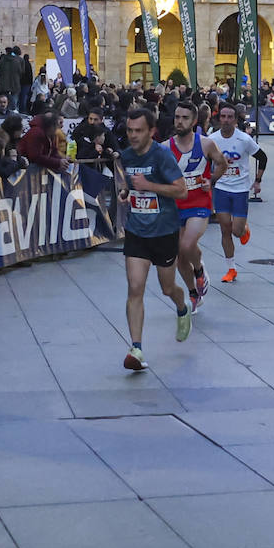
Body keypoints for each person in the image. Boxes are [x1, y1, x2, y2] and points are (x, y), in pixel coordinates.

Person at [117, 108, 193, 371]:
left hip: (164, 232)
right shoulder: (125, 156)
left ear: (151, 132)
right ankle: (136, 348)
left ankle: (182, 307)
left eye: (138, 131)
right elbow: (128, 184)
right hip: (137, 231)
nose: (133, 135)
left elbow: (181, 191)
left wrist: (149, 186)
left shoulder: (162, 156)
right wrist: (125, 192)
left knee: (167, 288)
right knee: (135, 287)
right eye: (129, 130)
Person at [168, 101, 227, 312]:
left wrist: (211, 180)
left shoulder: (205, 144)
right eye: (177, 117)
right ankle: (193, 294)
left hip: (200, 203)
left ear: (194, 121)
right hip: (176, 206)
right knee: (180, 257)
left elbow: (222, 163)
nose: (180, 121)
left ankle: (199, 270)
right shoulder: (166, 147)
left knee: (187, 245)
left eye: (184, 118)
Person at [207, 103, 264, 283]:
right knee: (225, 229)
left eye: (229, 117)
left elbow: (263, 157)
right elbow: (204, 161)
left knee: (236, 231)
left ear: (235, 120)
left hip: (240, 189)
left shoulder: (244, 139)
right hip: (221, 189)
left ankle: (244, 229)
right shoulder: (212, 139)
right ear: (219, 118)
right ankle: (231, 268)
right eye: (223, 117)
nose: (226, 120)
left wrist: (258, 181)